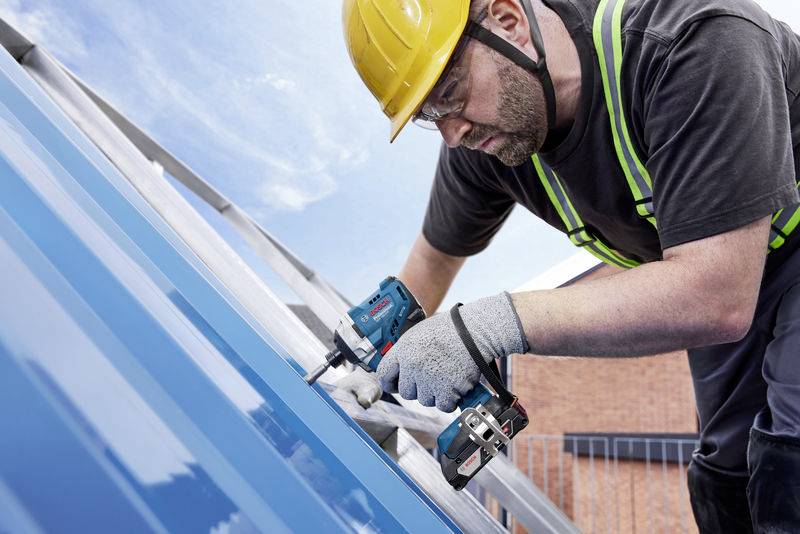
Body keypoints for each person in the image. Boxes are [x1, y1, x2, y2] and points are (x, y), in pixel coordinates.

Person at [340, 0, 800, 531]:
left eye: (450, 93)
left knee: (790, 460)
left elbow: (715, 293)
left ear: (508, 22)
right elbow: (430, 264)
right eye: (429, 116)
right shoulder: (483, 141)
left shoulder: (691, 45)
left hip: (735, 269)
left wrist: (488, 326)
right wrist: (369, 370)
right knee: (729, 479)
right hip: (735, 274)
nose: (451, 132)